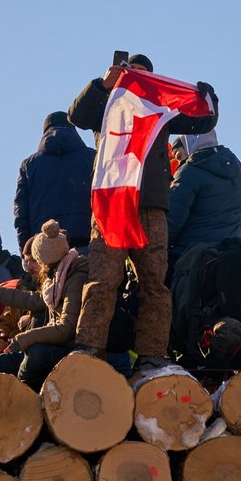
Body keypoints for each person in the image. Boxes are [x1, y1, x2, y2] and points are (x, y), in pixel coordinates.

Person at [67, 52, 218, 370]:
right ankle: (89, 349)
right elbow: (76, 116)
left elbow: (200, 120)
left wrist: (208, 96)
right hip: (112, 203)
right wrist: (101, 84)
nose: (136, 79)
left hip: (151, 205)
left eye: (143, 75)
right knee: (103, 280)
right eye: (131, 73)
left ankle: (151, 355)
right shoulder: (108, 104)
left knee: (154, 284)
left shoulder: (160, 108)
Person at [0, 219, 89, 391]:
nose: (29, 267)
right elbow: (32, 300)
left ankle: (19, 398)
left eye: (35, 261)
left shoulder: (73, 277)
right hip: (34, 345)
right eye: (26, 262)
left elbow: (66, 328)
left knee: (35, 352)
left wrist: (23, 338)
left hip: (68, 349)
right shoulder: (54, 281)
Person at [169, 236, 241, 381]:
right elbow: (229, 304)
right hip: (206, 329)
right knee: (233, 331)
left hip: (209, 327)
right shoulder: (233, 259)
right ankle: (210, 376)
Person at [14, 111, 96, 253]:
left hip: (46, 248)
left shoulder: (29, 165)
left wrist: (26, 251)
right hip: (89, 241)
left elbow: (21, 212)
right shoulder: (93, 157)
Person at [166, 129, 241, 272]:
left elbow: (172, 221)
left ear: (188, 144)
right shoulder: (237, 168)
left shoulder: (189, 171)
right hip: (229, 255)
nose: (179, 162)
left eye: (179, 156)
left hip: (190, 257)